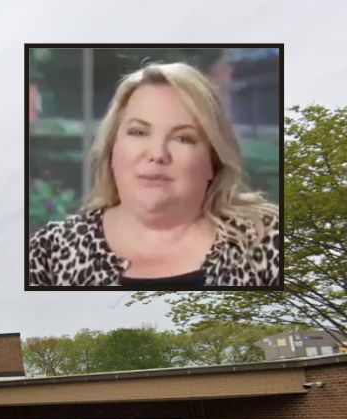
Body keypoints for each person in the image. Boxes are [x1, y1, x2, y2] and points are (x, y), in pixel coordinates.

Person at [28, 62, 280, 288]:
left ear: (212, 160)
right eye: (138, 132)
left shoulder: (268, 243)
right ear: (112, 149)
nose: (157, 154)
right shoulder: (49, 253)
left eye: (183, 138)